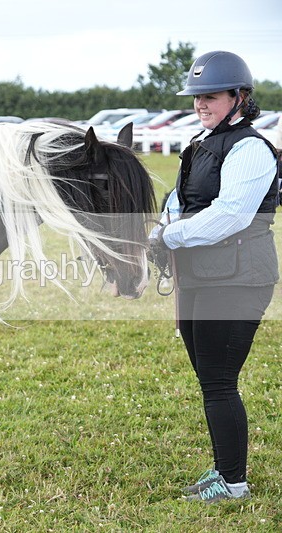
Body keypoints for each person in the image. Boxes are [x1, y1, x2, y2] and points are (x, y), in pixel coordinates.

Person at [149, 51, 280, 503]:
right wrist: (159, 230)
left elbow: (229, 216)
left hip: (240, 277)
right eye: (196, 97)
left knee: (220, 380)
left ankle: (233, 483)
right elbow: (177, 202)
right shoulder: (199, 146)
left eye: (210, 96)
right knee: (210, 377)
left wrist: (170, 238)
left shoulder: (251, 149)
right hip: (202, 275)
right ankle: (226, 471)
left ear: (239, 97)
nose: (200, 105)